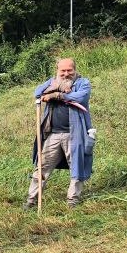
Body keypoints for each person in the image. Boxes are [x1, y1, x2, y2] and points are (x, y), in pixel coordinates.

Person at [24, 58, 94, 209]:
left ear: (74, 70)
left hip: (75, 134)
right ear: (58, 71)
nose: (66, 73)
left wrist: (57, 95)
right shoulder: (52, 81)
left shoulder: (82, 83)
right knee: (42, 167)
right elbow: (37, 92)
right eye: (63, 71)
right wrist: (58, 87)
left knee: (77, 167)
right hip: (53, 135)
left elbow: (80, 97)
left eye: (69, 70)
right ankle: (31, 200)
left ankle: (72, 201)